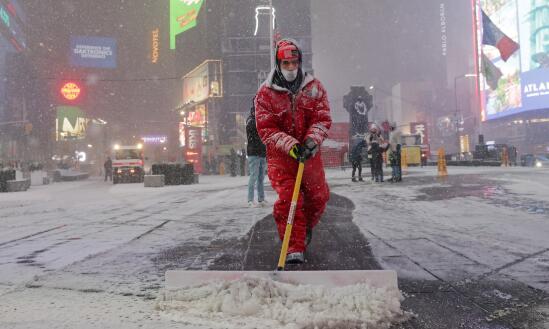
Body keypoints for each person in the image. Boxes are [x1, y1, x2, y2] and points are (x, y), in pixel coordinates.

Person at [255, 38, 332, 264]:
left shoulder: (315, 88)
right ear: (278, 64)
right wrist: (290, 146)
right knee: (291, 199)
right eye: (286, 63)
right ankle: (293, 246)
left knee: (318, 197)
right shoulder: (265, 94)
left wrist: (311, 140)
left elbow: (322, 118)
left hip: (309, 154)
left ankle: (303, 227)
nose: (291, 68)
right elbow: (266, 128)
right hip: (281, 157)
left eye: (294, 62)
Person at [246, 101, 267, 207]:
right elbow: (256, 132)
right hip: (254, 153)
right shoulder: (251, 121)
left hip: (262, 153)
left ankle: (261, 198)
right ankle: (250, 199)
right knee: (254, 176)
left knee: (260, 178)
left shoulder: (259, 121)